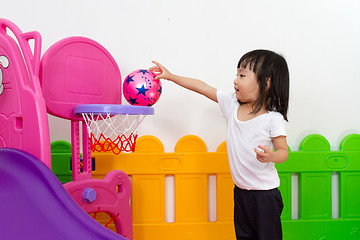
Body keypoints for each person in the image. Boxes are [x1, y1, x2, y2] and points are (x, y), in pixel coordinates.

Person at [150, 49, 289, 240]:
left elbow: (283, 152)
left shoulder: (272, 119)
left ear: (266, 83)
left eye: (242, 75)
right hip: (241, 192)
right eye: (236, 74)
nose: (235, 80)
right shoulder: (232, 104)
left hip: (265, 196)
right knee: (244, 236)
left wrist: (271, 156)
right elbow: (203, 87)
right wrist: (171, 76)